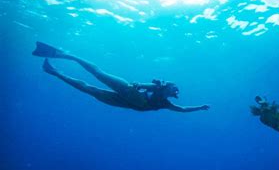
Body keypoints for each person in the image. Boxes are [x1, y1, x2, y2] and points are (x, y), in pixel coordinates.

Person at [32, 41, 210, 112]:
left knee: (90, 89)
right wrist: (140, 84)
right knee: (97, 72)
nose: (174, 90)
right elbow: (141, 85)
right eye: (173, 87)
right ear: (168, 87)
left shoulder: (165, 103)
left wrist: (199, 107)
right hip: (129, 93)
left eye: (174, 90)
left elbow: (183, 109)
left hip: (126, 102)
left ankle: (54, 72)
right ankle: (63, 54)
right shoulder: (157, 88)